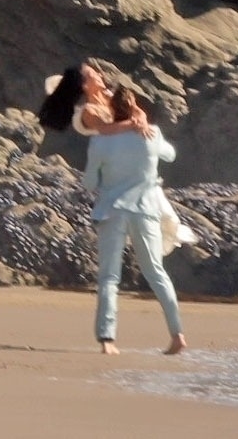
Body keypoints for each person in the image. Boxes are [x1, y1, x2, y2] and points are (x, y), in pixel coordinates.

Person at [39, 62, 197, 255]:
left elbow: (136, 110)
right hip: (114, 161)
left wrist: (140, 121)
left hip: (132, 156)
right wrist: (133, 124)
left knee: (158, 211)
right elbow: (106, 130)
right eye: (92, 75)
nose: (99, 75)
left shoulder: (109, 96)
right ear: (84, 85)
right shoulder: (89, 110)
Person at [82, 85, 187, 355]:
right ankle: (177, 334)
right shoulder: (152, 135)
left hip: (112, 209)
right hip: (146, 209)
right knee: (156, 273)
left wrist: (104, 178)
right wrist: (143, 123)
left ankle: (107, 340)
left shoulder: (100, 141)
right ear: (134, 107)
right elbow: (171, 155)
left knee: (109, 278)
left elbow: (89, 182)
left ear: (110, 111)